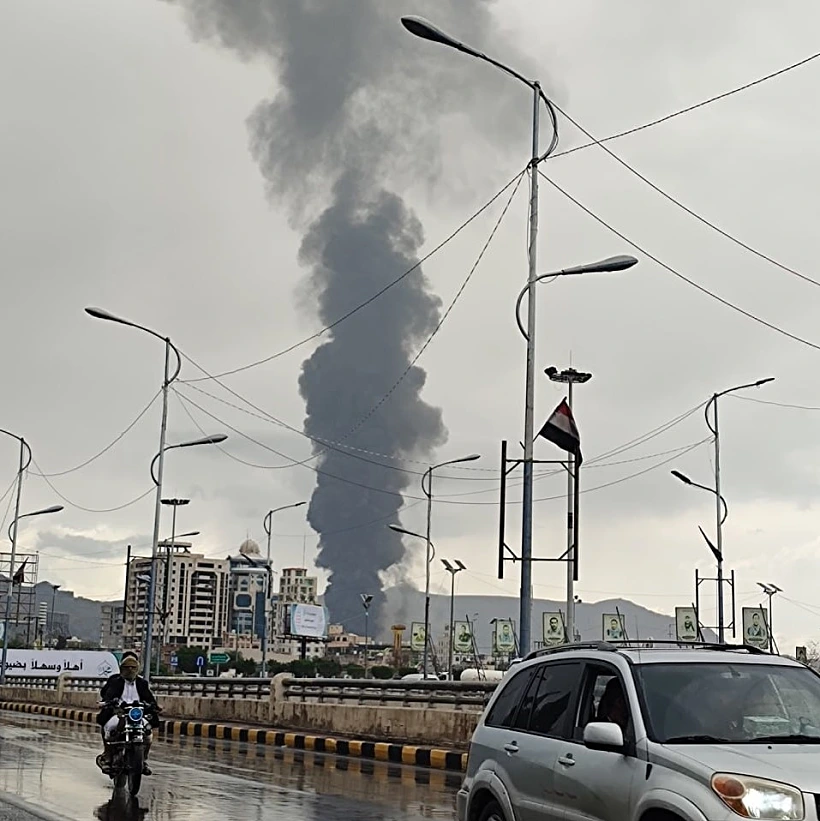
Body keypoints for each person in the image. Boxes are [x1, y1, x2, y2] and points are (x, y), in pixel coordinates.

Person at [95, 652, 160, 775]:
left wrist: (154, 706)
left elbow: (149, 698)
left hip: (137, 714)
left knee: (148, 733)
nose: (130, 670)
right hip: (118, 713)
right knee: (110, 729)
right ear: (121, 668)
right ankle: (108, 757)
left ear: (138, 668)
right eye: (127, 667)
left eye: (133, 667)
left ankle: (143, 760)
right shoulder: (115, 681)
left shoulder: (142, 683)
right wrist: (108, 703)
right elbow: (107, 695)